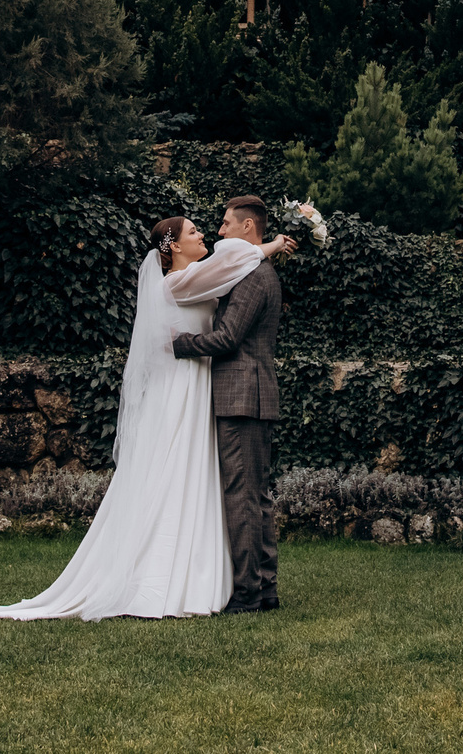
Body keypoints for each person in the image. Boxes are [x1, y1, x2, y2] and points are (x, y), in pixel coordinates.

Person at [0, 211, 292, 620]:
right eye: (194, 231)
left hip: (201, 388)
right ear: (173, 246)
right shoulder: (176, 282)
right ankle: (164, 572)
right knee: (174, 473)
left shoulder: (204, 277)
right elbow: (232, 264)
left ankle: (225, 576)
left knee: (204, 479)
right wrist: (270, 245)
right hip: (181, 389)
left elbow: (233, 265)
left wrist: (271, 245)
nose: (206, 234)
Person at [171, 194, 286, 614]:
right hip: (252, 394)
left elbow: (227, 338)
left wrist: (178, 343)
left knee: (242, 496)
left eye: (224, 224)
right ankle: (265, 588)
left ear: (247, 228)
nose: (219, 231)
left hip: (242, 396)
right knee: (256, 496)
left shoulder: (254, 275)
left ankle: (247, 593)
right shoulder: (256, 268)